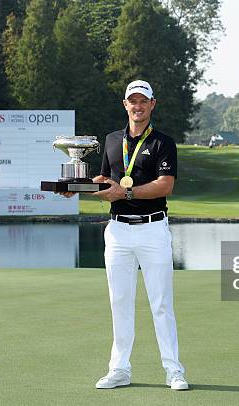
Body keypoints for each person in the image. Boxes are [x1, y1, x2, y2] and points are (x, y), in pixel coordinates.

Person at [72, 80, 188, 391]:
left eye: (143, 101)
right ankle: (119, 369)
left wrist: (124, 190)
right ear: (125, 105)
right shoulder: (111, 141)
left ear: (152, 105)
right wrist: (79, 188)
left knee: (161, 303)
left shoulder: (163, 143)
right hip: (118, 231)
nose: (137, 106)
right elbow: (106, 181)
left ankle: (173, 371)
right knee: (119, 301)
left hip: (153, 229)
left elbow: (165, 185)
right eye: (132, 101)